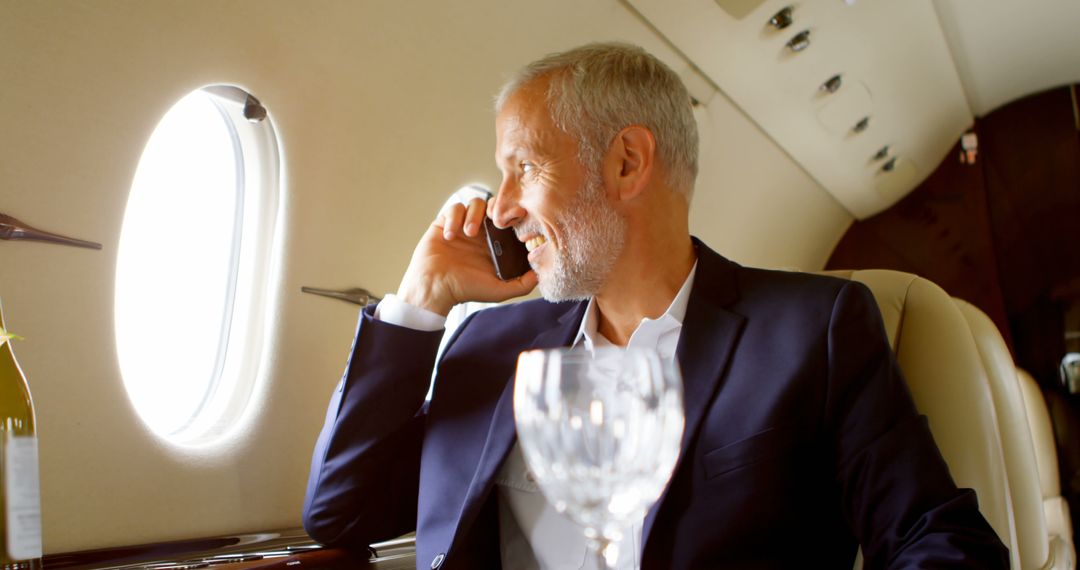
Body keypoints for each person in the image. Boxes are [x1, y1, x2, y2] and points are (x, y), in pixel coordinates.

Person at [302, 42, 1008, 569]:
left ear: (627, 163)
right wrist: (420, 307)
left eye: (523, 166)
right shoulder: (486, 346)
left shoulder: (812, 332)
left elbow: (939, 541)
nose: (503, 206)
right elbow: (342, 512)